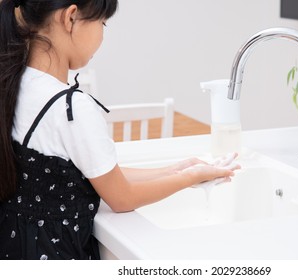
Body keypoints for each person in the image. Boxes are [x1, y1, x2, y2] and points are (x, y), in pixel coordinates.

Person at [0, 0, 240, 260]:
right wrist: (189, 179)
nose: (102, 35)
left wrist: (176, 169)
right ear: (70, 18)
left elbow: (88, 176)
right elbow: (121, 197)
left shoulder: (16, 84)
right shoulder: (71, 108)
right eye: (102, 23)